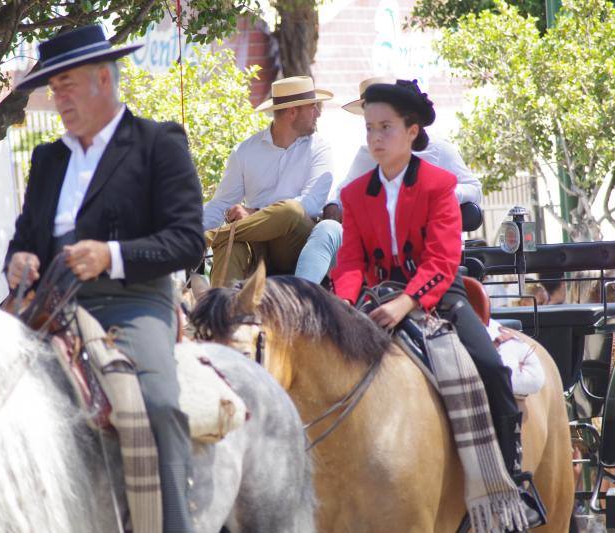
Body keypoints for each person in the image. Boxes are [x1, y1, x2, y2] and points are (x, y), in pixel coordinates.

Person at [4, 25, 204, 532]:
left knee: (158, 405)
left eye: (66, 83)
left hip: (132, 302)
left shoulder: (159, 144)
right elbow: (26, 236)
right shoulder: (48, 159)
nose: (58, 96)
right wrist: (19, 261)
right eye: (54, 87)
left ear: (103, 79)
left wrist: (110, 255)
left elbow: (187, 241)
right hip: (50, 300)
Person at [331, 79, 546, 527]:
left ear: (412, 131)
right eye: (369, 128)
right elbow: (349, 261)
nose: (374, 138)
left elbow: (443, 259)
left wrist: (407, 303)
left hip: (437, 297)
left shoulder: (439, 184)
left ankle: (509, 484)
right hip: (373, 300)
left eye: (385, 128)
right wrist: (344, 306)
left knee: (490, 368)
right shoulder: (353, 195)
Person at [294, 75, 482, 284]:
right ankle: (300, 300)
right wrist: (333, 205)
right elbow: (342, 193)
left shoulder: (438, 149)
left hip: (416, 250)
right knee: (326, 229)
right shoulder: (366, 153)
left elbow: (474, 188)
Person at [202, 76, 334, 287]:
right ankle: (222, 312)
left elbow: (311, 204)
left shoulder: (320, 148)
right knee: (232, 243)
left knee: (291, 210)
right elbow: (222, 204)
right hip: (257, 244)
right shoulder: (245, 151)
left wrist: (255, 213)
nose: (318, 113)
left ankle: (207, 239)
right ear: (292, 112)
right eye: (313, 107)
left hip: (297, 245)